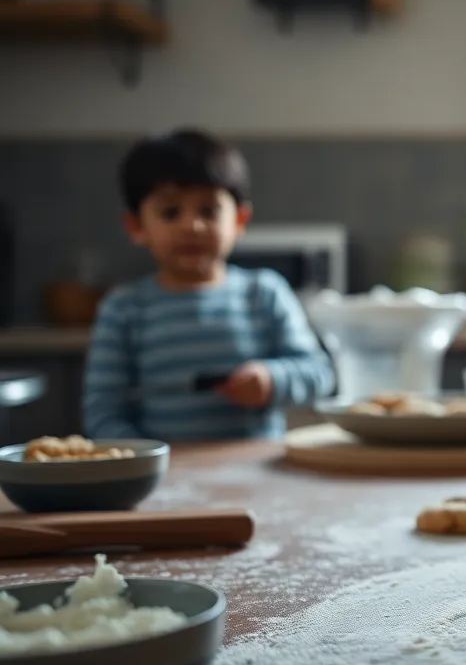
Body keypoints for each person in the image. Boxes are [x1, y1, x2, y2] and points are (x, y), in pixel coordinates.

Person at [84, 129, 335, 441]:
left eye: (208, 211)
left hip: (258, 478)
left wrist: (271, 379)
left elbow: (319, 373)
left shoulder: (264, 294)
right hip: (167, 482)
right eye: (170, 212)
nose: (193, 225)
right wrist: (146, 461)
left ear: (239, 221)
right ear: (136, 226)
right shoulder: (123, 310)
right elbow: (103, 415)